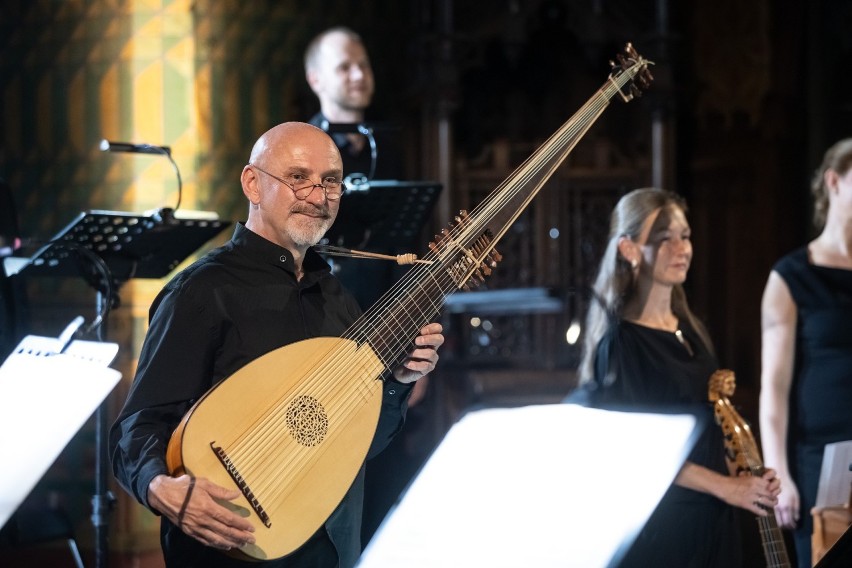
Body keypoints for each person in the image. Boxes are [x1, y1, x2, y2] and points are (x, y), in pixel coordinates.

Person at [109, 122, 444, 568]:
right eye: (299, 177)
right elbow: (137, 426)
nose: (318, 196)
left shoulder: (339, 301)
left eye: (330, 182)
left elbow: (358, 444)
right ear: (253, 183)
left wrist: (400, 382)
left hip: (333, 551)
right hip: (232, 550)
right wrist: (157, 486)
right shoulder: (202, 292)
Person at [574, 188, 781, 567]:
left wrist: (747, 475)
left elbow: (708, 427)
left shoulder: (689, 330)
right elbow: (634, 453)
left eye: (685, 236)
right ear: (629, 249)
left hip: (712, 521)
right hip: (666, 530)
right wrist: (728, 488)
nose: (681, 248)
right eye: (664, 239)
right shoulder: (622, 343)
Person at [759, 138, 852, 568]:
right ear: (835, 182)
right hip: (821, 459)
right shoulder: (792, 274)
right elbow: (773, 389)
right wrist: (779, 473)